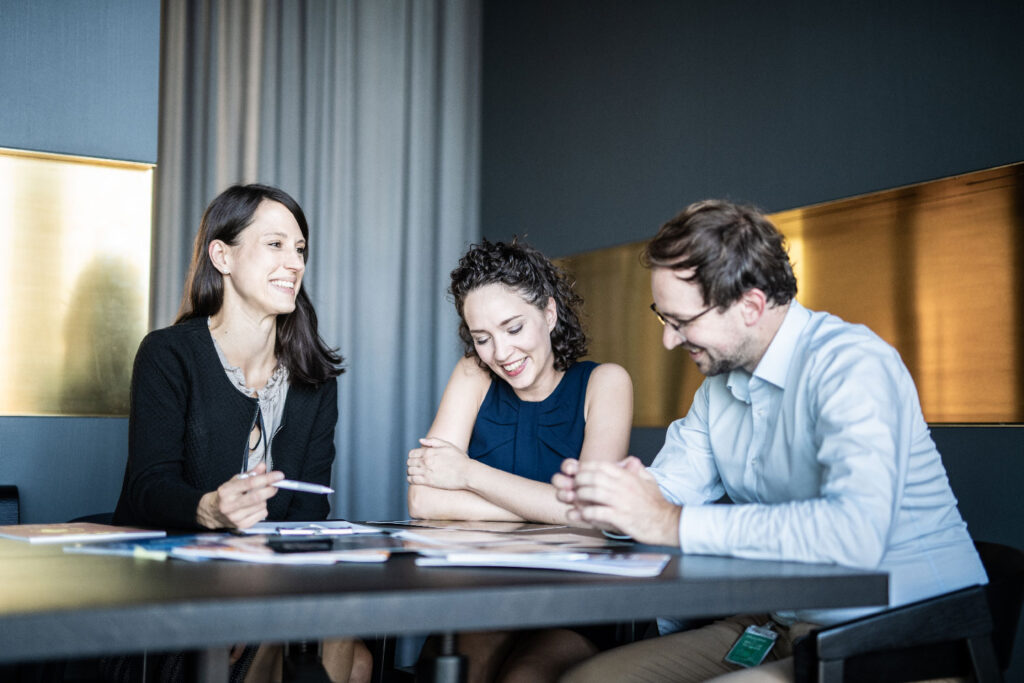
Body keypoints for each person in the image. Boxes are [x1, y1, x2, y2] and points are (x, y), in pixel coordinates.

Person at [554, 200, 988, 683]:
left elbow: (854, 534)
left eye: (683, 321)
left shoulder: (852, 365)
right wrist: (615, 501)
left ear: (751, 306)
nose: (670, 342)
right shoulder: (718, 391)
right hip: (782, 622)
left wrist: (668, 521)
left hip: (897, 637)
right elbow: (669, 492)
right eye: (664, 317)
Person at [112, 184, 370, 683]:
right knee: (346, 652)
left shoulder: (314, 381)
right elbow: (148, 489)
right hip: (174, 591)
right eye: (275, 244)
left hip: (269, 589)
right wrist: (209, 508)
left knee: (344, 638)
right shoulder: (168, 355)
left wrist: (257, 594)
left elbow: (308, 515)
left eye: (300, 250)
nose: (294, 263)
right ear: (222, 256)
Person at [407, 238, 633, 682]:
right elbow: (423, 501)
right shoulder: (473, 373)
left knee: (524, 678)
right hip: (483, 590)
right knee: (456, 670)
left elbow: (590, 514)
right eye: (483, 338)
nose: (501, 353)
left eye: (514, 328)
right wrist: (552, 510)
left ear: (549, 314)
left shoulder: (605, 383)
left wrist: (467, 474)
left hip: (574, 601)